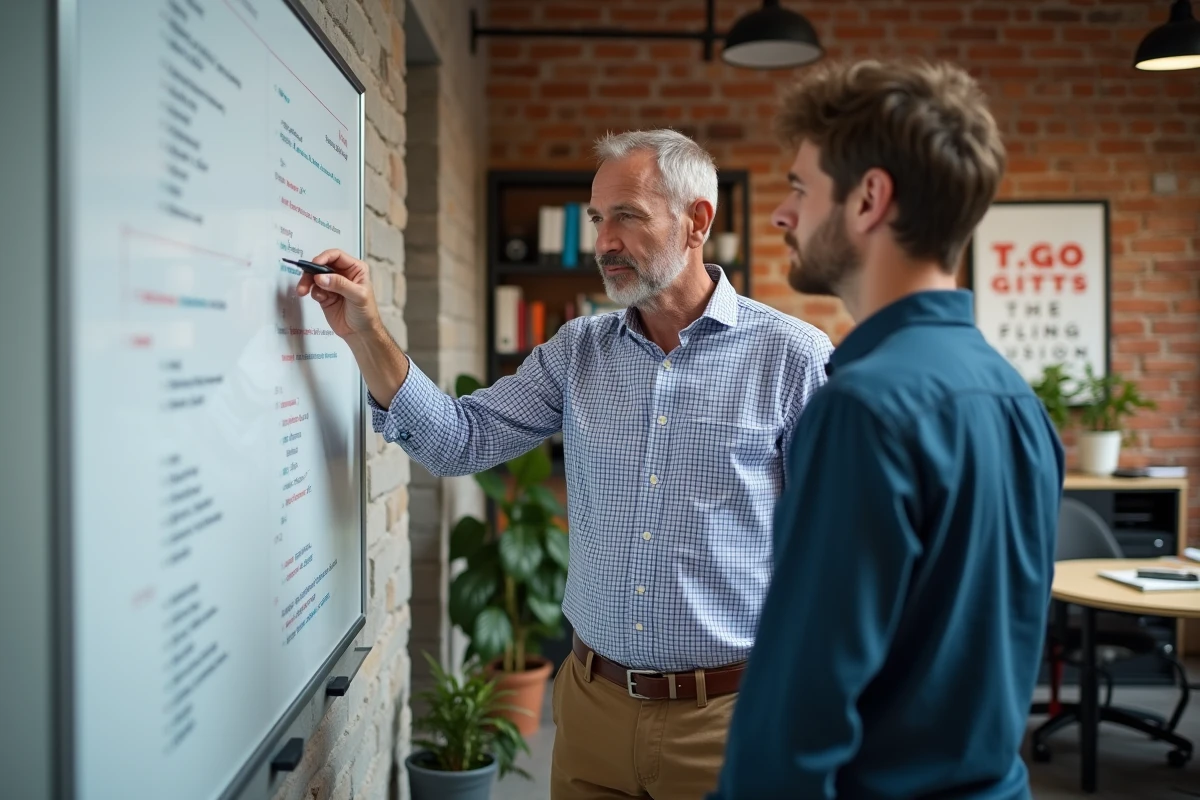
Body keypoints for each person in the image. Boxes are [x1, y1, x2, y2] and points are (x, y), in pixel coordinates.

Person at [297, 129, 833, 800]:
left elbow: (837, 556)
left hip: (731, 718)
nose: (604, 241)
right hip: (590, 709)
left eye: (628, 217)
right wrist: (366, 331)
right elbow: (459, 438)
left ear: (698, 221)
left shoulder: (794, 360)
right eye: (598, 218)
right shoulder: (577, 350)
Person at [710, 60, 1065, 800]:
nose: (783, 214)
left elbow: (795, 718)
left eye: (800, 188)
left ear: (870, 198)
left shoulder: (862, 409)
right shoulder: (1016, 401)